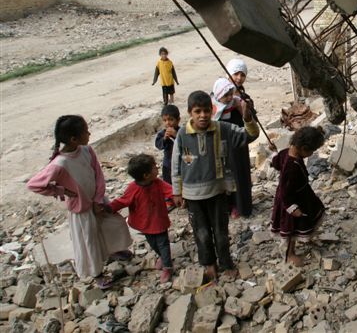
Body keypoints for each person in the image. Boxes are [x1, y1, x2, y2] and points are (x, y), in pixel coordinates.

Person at [27, 115, 132, 289]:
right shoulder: (60, 163)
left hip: (97, 201)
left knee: (113, 225)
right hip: (82, 209)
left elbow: (98, 174)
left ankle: (113, 250)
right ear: (73, 139)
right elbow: (34, 184)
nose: (89, 134)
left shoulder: (86, 150)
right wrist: (61, 191)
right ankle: (97, 274)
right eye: (85, 131)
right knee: (89, 241)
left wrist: (98, 199)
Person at [172, 90, 259, 282]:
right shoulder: (182, 134)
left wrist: (247, 118)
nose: (203, 115)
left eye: (206, 111)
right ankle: (209, 264)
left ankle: (226, 263)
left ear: (212, 111)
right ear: (190, 113)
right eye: (197, 111)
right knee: (201, 233)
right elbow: (176, 164)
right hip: (193, 196)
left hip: (218, 192)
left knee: (221, 232)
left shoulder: (222, 129)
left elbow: (251, 135)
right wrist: (177, 191)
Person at [109, 154, 174, 283]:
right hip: (145, 224)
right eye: (154, 167)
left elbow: (171, 191)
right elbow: (123, 201)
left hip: (159, 221)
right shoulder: (133, 188)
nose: (157, 168)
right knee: (153, 243)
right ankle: (162, 257)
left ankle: (168, 267)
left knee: (163, 244)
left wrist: (181, 197)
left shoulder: (158, 183)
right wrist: (109, 208)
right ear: (146, 175)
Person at [270, 126, 326, 267]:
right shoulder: (292, 167)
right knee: (291, 228)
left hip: (301, 194)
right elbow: (285, 191)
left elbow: (276, 163)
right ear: (304, 148)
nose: (311, 154)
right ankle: (289, 254)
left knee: (304, 220)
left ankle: (304, 236)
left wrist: (274, 152)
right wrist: (291, 208)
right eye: (312, 151)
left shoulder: (285, 152)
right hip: (292, 200)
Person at [212, 78, 253, 218]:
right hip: (220, 150)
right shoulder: (212, 108)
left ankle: (239, 205)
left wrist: (242, 108)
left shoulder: (237, 102)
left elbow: (248, 122)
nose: (229, 98)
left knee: (238, 175)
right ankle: (226, 205)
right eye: (226, 95)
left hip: (236, 147)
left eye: (231, 94)